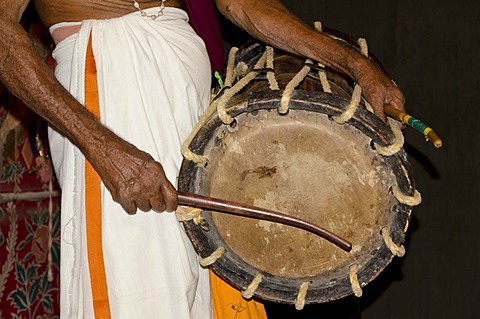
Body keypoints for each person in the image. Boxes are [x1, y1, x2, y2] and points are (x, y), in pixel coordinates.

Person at [0, 0, 405, 318]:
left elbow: (244, 4)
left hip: (188, 102)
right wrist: (103, 146)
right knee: (140, 297)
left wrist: (355, 65)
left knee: (198, 298)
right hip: (110, 91)